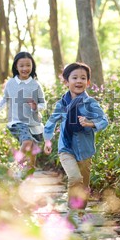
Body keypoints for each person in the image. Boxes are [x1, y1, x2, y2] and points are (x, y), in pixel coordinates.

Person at [43, 62, 108, 226]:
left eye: (83, 78)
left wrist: (90, 123)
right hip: (66, 148)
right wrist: (48, 140)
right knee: (74, 177)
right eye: (74, 77)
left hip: (85, 150)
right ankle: (72, 212)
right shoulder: (61, 104)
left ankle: (80, 211)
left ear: (88, 82)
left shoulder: (91, 103)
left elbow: (104, 120)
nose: (79, 81)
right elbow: (51, 123)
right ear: (66, 81)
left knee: (83, 184)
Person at [0, 52, 46, 178]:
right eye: (21, 65)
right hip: (16, 121)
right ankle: (14, 169)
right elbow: (5, 99)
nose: (25, 68)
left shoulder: (35, 85)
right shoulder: (11, 83)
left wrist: (36, 107)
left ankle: (29, 177)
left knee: (33, 152)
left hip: (33, 123)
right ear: (16, 67)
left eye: (28, 65)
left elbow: (43, 104)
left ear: (32, 66)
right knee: (27, 141)